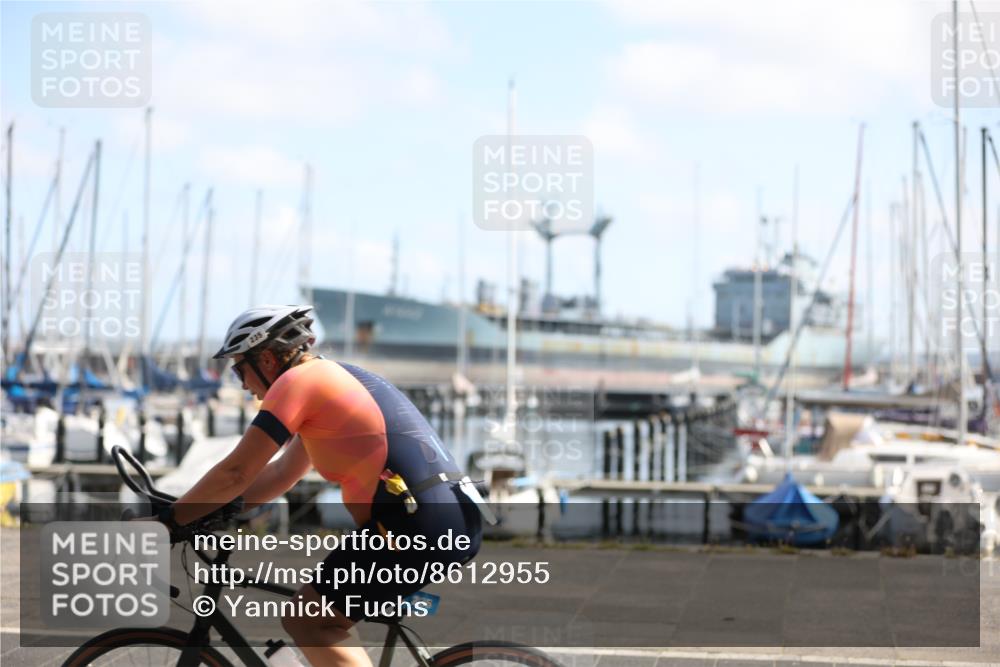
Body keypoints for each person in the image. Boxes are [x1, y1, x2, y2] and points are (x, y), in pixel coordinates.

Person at [161, 305, 484, 667]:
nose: (240, 381)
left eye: (239, 367)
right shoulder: (329, 380)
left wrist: (168, 522)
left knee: (309, 621)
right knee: (317, 615)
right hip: (439, 516)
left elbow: (237, 471)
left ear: (266, 359)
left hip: (413, 524)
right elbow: (283, 473)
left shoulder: (296, 382)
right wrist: (218, 510)